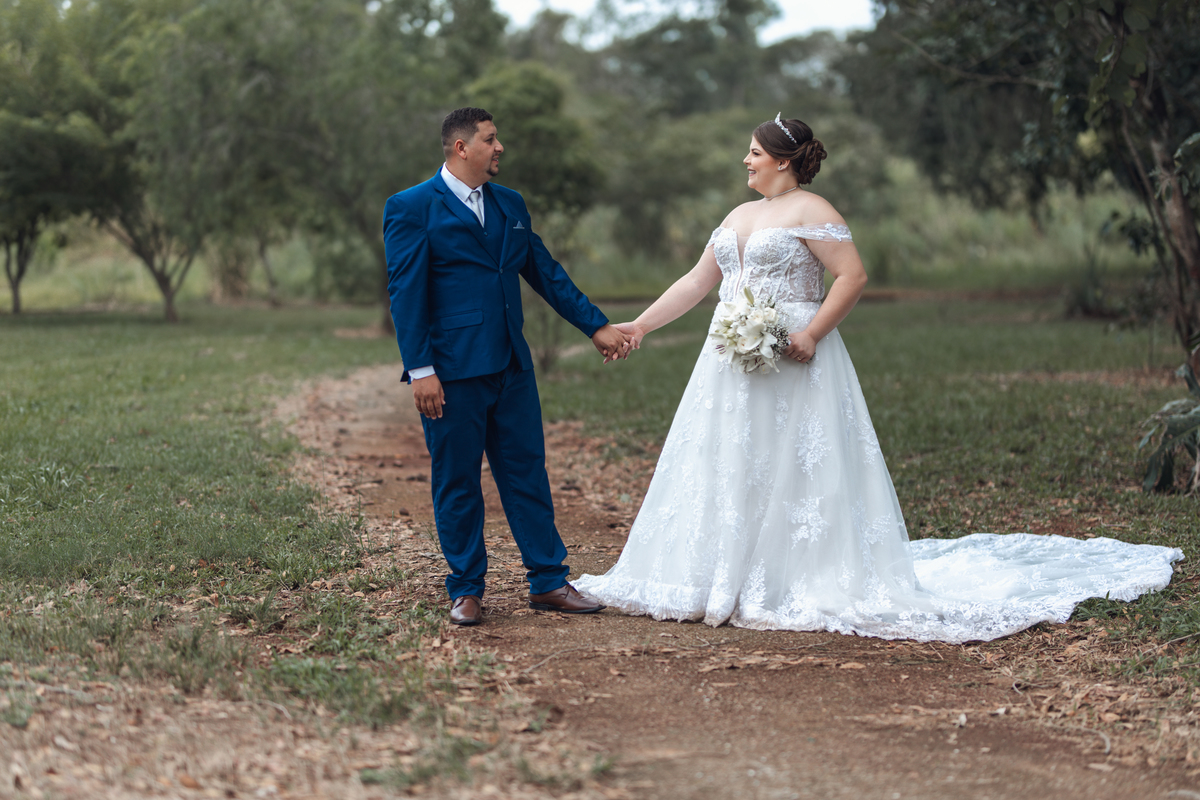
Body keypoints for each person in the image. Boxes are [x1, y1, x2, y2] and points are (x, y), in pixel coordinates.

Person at [574, 115, 1183, 643]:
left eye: (754, 153)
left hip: (792, 355)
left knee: (794, 464)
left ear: (783, 160)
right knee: (730, 458)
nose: (746, 161)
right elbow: (696, 282)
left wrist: (812, 332)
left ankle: (791, 577)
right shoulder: (738, 214)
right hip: (729, 361)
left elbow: (853, 276)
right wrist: (641, 325)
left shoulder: (814, 210)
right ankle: (716, 572)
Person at [383, 107, 629, 627]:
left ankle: (548, 582)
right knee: (457, 482)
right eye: (490, 139)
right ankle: (466, 589)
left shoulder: (510, 203)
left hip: (512, 366)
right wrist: (421, 369)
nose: (500, 148)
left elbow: (545, 272)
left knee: (527, 474)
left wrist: (595, 325)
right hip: (452, 373)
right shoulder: (411, 207)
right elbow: (406, 293)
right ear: (461, 147)